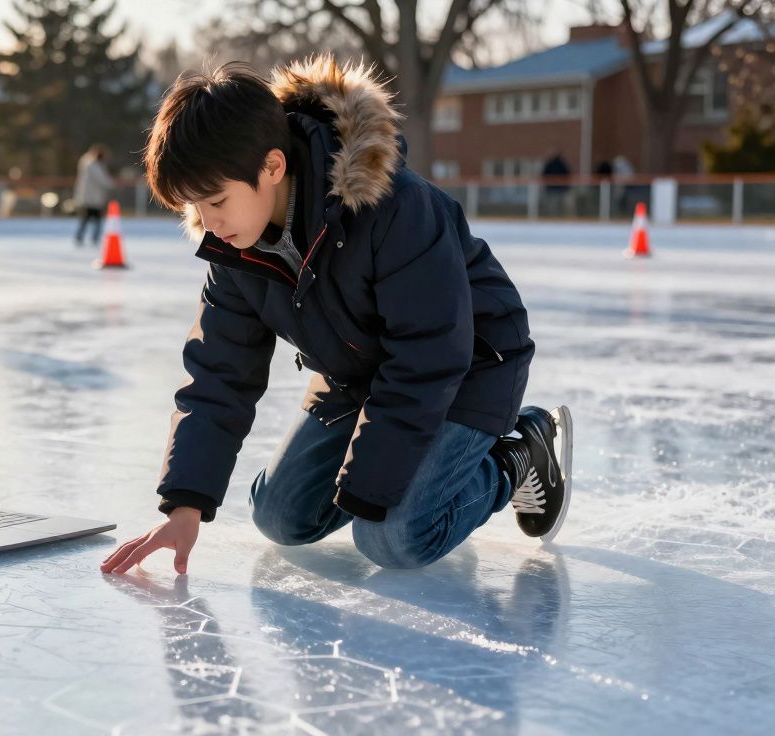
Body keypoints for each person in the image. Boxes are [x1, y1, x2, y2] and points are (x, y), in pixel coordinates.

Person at [100, 56, 573, 576]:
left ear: (273, 167)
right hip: (360, 375)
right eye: (194, 206)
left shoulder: (395, 209)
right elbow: (219, 374)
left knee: (392, 538)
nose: (209, 225)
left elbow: (429, 355)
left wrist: (372, 488)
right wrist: (184, 504)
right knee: (280, 518)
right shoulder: (234, 248)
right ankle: (412, 484)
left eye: (216, 201)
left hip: (470, 366)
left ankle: (519, 453)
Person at [73, 144, 114, 247]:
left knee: (86, 219)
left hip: (89, 198)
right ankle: (92, 239)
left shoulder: (88, 163)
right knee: (94, 220)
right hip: (92, 199)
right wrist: (112, 184)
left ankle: (82, 237)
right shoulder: (93, 165)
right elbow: (103, 180)